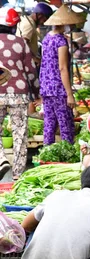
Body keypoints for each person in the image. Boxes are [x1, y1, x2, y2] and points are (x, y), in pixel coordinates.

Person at [0, 8, 40, 180]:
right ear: (14, 25)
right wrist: (36, 91)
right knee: (20, 134)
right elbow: (30, 70)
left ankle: (1, 159)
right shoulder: (20, 42)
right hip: (19, 92)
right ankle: (18, 175)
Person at [40, 5, 85, 146]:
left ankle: (46, 153)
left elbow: (45, 63)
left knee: (49, 125)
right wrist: (69, 94)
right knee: (66, 126)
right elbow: (63, 68)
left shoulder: (47, 38)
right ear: (64, 24)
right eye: (71, 24)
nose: (72, 27)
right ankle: (67, 153)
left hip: (46, 88)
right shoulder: (61, 41)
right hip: (59, 89)